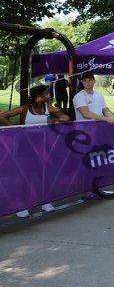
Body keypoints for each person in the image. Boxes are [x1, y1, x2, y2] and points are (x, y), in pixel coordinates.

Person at [0, 85, 70, 217]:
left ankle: (45, 202)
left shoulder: (49, 108)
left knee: (43, 175)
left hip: (41, 146)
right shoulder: (25, 109)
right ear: (38, 96)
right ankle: (21, 206)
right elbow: (2, 116)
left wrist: (55, 119)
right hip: (24, 147)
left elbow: (66, 118)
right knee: (24, 176)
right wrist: (16, 128)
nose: (49, 96)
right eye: (46, 94)